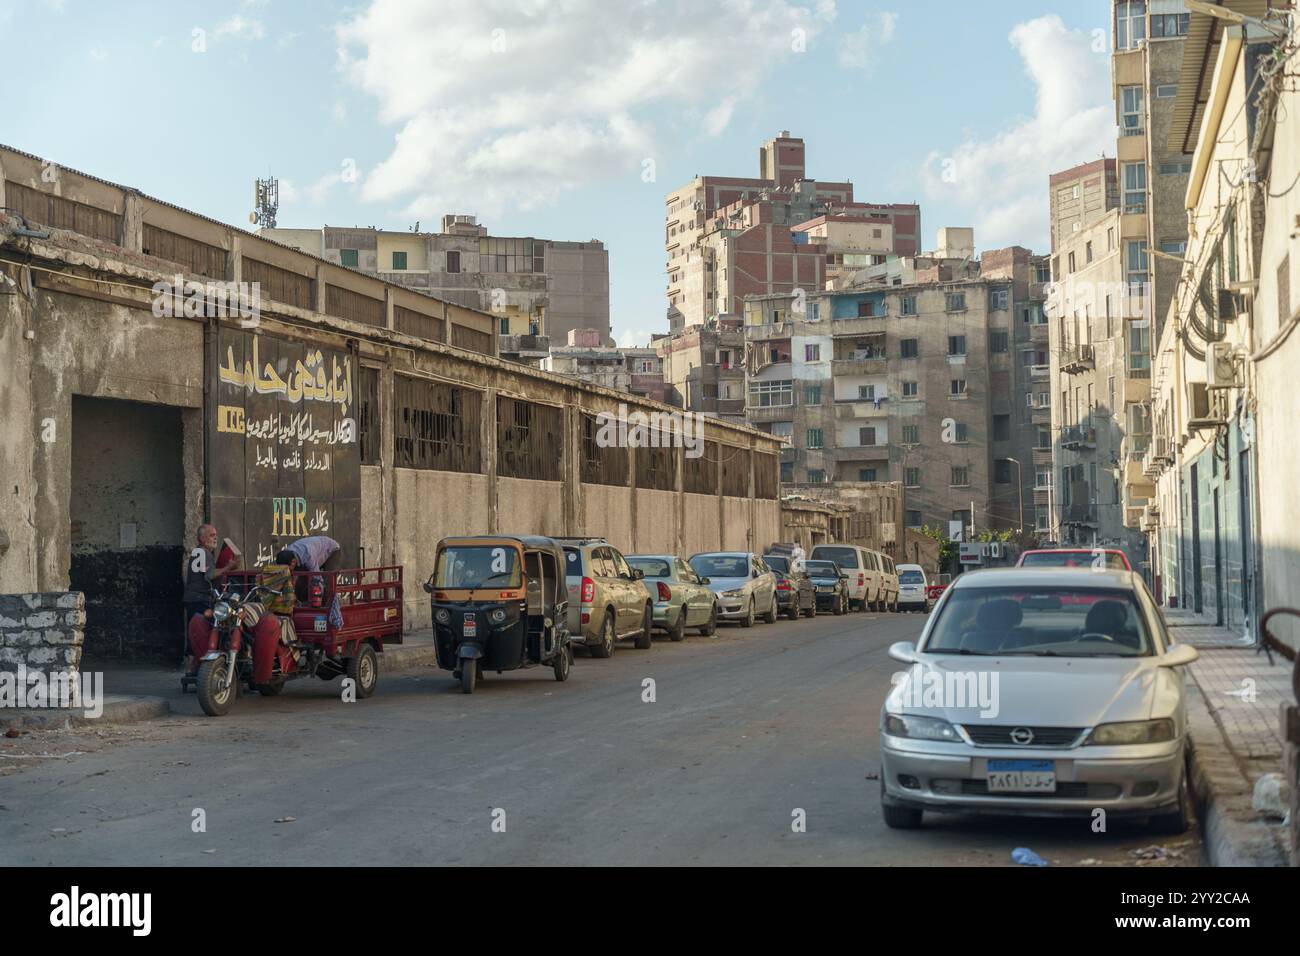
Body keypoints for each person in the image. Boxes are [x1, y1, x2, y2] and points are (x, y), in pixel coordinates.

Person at [181, 523, 239, 677]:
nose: (215, 538)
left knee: (195, 629)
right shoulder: (202, 552)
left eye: (215, 535)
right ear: (202, 538)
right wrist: (228, 568)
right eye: (212, 535)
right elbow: (209, 575)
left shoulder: (203, 553)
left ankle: (193, 665)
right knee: (199, 629)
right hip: (198, 599)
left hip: (196, 598)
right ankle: (193, 666)